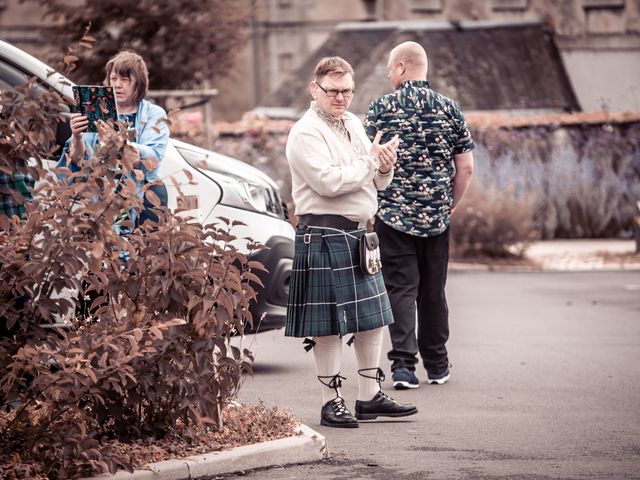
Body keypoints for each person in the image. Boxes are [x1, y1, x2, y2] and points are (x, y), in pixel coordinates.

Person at [285, 56, 417, 428]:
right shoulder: (306, 132)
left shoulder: (353, 123)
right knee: (327, 324)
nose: (341, 98)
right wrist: (370, 164)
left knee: (373, 319)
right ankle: (331, 402)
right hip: (323, 233)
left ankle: (369, 396)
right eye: (333, 91)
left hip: (360, 234)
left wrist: (385, 165)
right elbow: (328, 182)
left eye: (347, 91)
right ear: (315, 89)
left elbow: (376, 182)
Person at [365, 41, 475, 389]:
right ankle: (438, 365)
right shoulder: (449, 108)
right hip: (437, 219)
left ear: (400, 67)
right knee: (433, 291)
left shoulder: (381, 108)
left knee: (400, 289)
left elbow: (364, 160)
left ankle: (402, 368)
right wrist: (449, 204)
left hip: (394, 217)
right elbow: (467, 167)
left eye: (388, 69)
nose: (388, 75)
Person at [57, 50, 169, 226]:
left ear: (138, 84)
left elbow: (152, 157)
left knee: (143, 250)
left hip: (144, 197)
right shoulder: (96, 110)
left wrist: (118, 142)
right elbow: (78, 162)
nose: (117, 85)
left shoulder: (154, 113)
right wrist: (77, 137)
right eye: (113, 79)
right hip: (102, 197)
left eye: (125, 80)